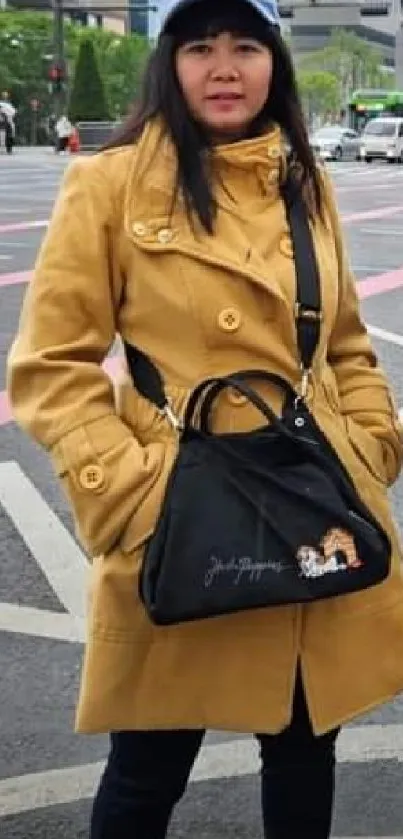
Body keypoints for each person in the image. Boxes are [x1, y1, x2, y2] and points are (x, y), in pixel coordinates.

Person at [6, 0, 403, 836]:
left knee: (302, 754)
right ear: (169, 65)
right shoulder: (107, 184)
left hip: (308, 500)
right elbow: (51, 365)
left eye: (245, 46)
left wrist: (371, 446)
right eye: (199, 48)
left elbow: (343, 344)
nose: (224, 68)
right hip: (181, 512)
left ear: (274, 65)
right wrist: (127, 494)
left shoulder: (303, 180)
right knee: (147, 772)